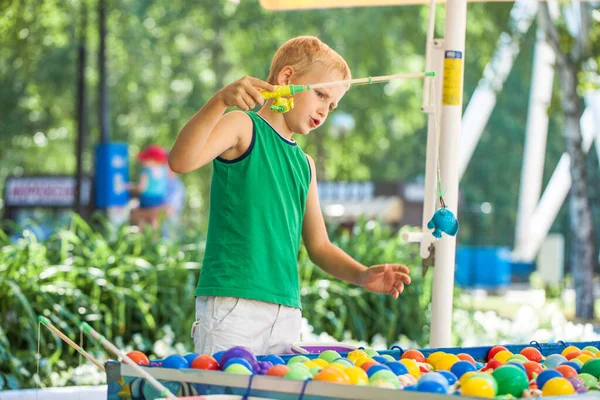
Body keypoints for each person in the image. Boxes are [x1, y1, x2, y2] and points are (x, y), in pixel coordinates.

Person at [169, 36, 412, 355]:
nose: (325, 110)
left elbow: (320, 246)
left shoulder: (305, 165)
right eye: (321, 94)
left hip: (286, 313)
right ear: (287, 79)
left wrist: (363, 275)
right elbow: (180, 161)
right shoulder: (243, 126)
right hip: (233, 304)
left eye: (332, 104)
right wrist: (220, 101)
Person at [129, 144, 169, 230]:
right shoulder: (163, 170)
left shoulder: (146, 170)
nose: (143, 161)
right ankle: (155, 240)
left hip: (147, 200)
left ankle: (140, 238)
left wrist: (131, 187)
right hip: (159, 200)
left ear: (152, 160)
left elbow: (141, 188)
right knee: (154, 221)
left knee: (136, 216)